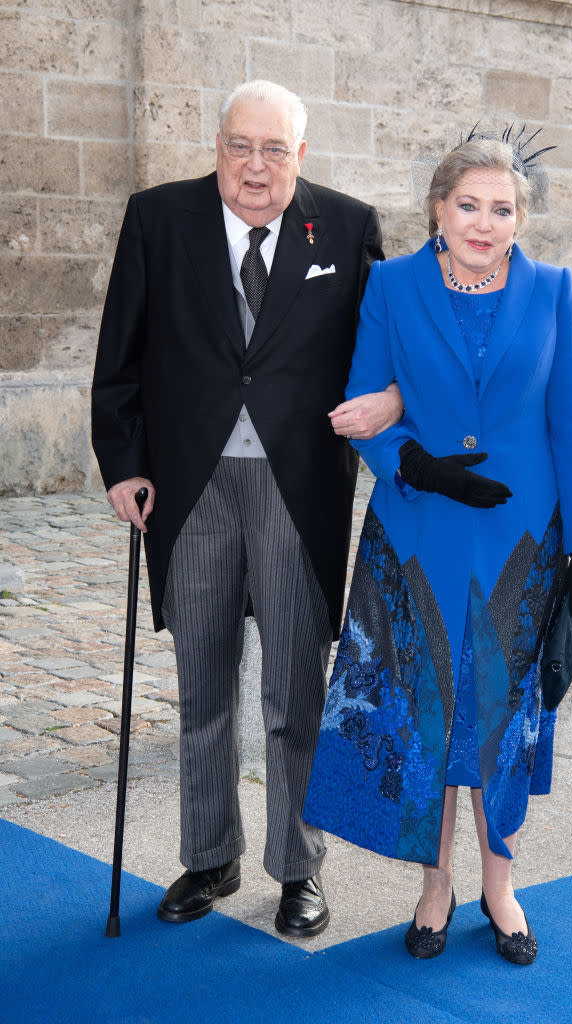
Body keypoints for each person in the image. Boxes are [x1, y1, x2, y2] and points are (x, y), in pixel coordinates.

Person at [91, 80, 403, 938]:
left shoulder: (346, 225)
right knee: (203, 688)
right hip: (189, 488)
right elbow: (119, 353)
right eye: (240, 146)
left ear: (300, 156)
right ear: (216, 145)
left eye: (274, 150)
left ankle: (298, 866)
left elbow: (382, 343)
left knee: (294, 690)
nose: (254, 166)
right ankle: (210, 854)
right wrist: (123, 465)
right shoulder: (157, 218)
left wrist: (398, 401)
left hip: (297, 487)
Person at [304, 129, 572, 962]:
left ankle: (499, 882)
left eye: (501, 208)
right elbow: (363, 402)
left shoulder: (551, 291)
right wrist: (417, 465)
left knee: (503, 715)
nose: (484, 222)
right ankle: (434, 881)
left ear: (520, 218)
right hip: (418, 527)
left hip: (524, 536)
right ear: (438, 210)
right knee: (427, 713)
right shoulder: (391, 285)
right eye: (468, 205)